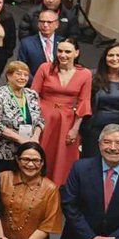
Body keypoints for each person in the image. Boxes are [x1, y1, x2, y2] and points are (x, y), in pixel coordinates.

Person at [30, 37, 91, 185]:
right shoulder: (45, 67)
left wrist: (75, 128)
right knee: (40, 153)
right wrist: (36, 121)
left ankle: (55, 192)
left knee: (62, 159)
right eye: (60, 51)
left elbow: (84, 102)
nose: (63, 55)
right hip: (43, 118)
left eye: (68, 52)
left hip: (67, 123)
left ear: (76, 53)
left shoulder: (85, 74)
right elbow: (33, 95)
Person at [81, 43, 119, 159]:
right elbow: (83, 103)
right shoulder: (91, 75)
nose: (115, 59)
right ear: (105, 58)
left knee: (116, 166)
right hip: (94, 129)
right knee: (91, 164)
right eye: (111, 55)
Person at [0, 60, 45, 174]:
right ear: (9, 75)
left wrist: (35, 138)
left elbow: (40, 120)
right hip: (1, 152)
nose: (23, 78)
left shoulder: (31, 94)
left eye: (26, 75)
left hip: (26, 152)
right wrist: (20, 139)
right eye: (18, 74)